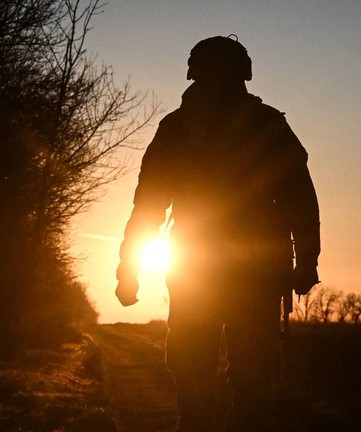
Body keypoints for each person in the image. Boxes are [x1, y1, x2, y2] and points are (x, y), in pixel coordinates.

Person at [115, 35, 320, 432]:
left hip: (223, 268)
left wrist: (129, 269)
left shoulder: (181, 128)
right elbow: (301, 200)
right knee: (228, 376)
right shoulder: (263, 126)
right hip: (230, 268)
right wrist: (306, 260)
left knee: (232, 377)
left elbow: (148, 207)